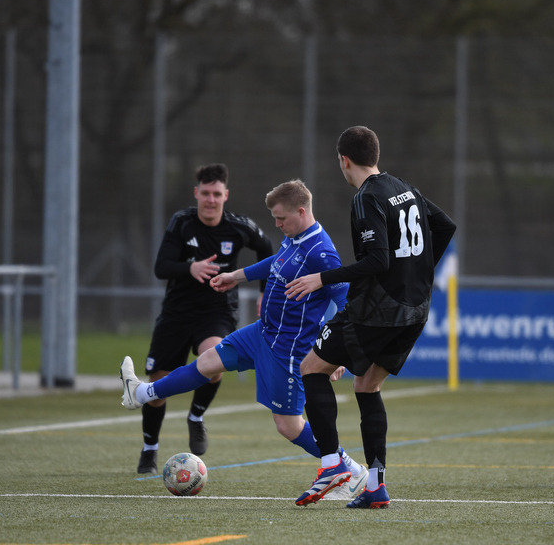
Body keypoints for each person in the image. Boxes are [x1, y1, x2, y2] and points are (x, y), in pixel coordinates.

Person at [121, 179, 368, 498]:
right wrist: (235, 276)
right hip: (262, 333)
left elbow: (346, 303)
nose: (277, 225)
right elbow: (275, 263)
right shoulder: (294, 237)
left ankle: (349, 471)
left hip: (287, 349)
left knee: (288, 426)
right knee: (208, 362)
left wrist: (332, 354)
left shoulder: (321, 253)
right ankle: (140, 393)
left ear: (301, 211)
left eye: (281, 218)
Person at [284, 126, 457, 508]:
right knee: (366, 387)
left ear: (344, 160)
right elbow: (445, 226)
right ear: (374, 155)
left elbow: (377, 260)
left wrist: (321, 279)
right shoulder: (404, 188)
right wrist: (419, 272)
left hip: (377, 310)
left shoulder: (366, 199)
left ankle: (332, 465)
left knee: (311, 368)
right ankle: (376, 485)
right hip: (416, 310)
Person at [135, 163, 273, 474]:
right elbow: (161, 266)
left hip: (217, 311)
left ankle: (196, 417)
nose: (210, 199)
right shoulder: (182, 222)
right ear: (196, 193)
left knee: (215, 360)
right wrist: (191, 267)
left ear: (226, 195)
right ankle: (149, 449)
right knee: (157, 385)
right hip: (176, 313)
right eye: (205, 193)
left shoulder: (240, 227)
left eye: (216, 194)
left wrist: (265, 292)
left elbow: (268, 251)